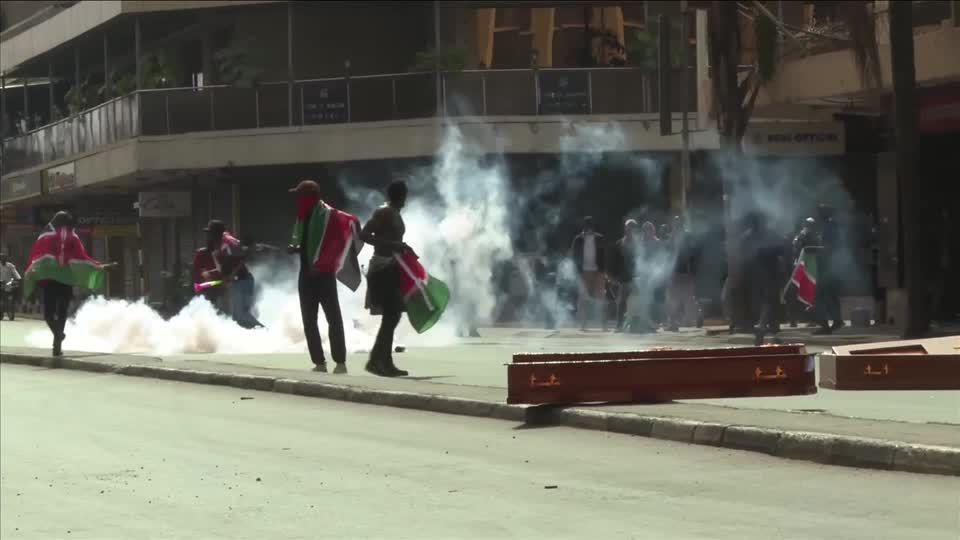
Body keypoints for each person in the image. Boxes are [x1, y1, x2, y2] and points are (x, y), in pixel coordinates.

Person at [288, 179, 362, 373]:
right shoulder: (302, 216)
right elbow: (300, 239)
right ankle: (319, 363)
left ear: (310, 197)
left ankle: (340, 362)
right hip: (305, 274)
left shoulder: (329, 215)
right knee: (309, 320)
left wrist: (322, 264)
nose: (297, 200)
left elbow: (338, 241)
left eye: (300, 196)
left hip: (324, 275)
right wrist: (294, 247)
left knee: (333, 318)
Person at [22, 211, 112, 356]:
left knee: (48, 314)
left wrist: (31, 272)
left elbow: (36, 256)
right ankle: (57, 346)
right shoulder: (73, 237)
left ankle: (57, 335)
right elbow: (82, 258)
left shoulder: (45, 236)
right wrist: (99, 266)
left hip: (50, 281)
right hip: (66, 280)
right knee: (62, 312)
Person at [362, 180, 415, 377]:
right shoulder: (383, 212)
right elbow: (364, 234)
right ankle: (378, 361)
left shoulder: (393, 213)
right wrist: (393, 245)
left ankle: (381, 360)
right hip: (382, 267)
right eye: (404, 195)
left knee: (393, 315)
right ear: (400, 196)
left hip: (392, 266)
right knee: (392, 315)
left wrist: (403, 247)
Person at [193, 220, 263, 329]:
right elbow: (224, 268)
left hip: (243, 281)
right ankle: (260, 334)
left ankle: (265, 332)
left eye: (210, 233)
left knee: (241, 316)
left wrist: (232, 274)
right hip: (239, 282)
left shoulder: (227, 241)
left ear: (216, 233)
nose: (208, 236)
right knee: (239, 317)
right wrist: (211, 273)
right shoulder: (219, 246)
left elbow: (243, 255)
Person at [571, 216, 607, 331]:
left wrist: (604, 271)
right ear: (584, 227)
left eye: (590, 226)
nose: (589, 229)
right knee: (583, 299)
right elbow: (574, 256)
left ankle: (603, 325)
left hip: (598, 271)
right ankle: (583, 324)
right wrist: (576, 272)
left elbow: (605, 255)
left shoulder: (600, 238)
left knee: (601, 298)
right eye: (587, 226)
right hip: (583, 271)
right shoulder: (578, 239)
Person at [814, 204, 843, 334]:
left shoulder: (829, 227)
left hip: (827, 266)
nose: (818, 215)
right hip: (828, 266)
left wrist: (816, 251)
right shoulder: (828, 227)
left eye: (820, 213)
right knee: (830, 294)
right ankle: (836, 321)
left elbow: (829, 247)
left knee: (820, 295)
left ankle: (825, 325)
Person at [608, 219, 639, 332]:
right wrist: (612, 276)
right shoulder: (620, 243)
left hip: (637, 278)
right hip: (624, 278)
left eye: (632, 228)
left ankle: (641, 324)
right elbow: (614, 262)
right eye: (628, 227)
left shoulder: (638, 244)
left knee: (641, 302)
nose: (629, 230)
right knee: (621, 302)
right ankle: (619, 325)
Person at [0, 252, 22, 321]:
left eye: (5, 258)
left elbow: (17, 275)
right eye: (2, 258)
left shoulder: (10, 266)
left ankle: (11, 312)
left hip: (8, 285)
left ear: (6, 259)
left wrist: (18, 279)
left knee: (11, 298)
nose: (3, 259)